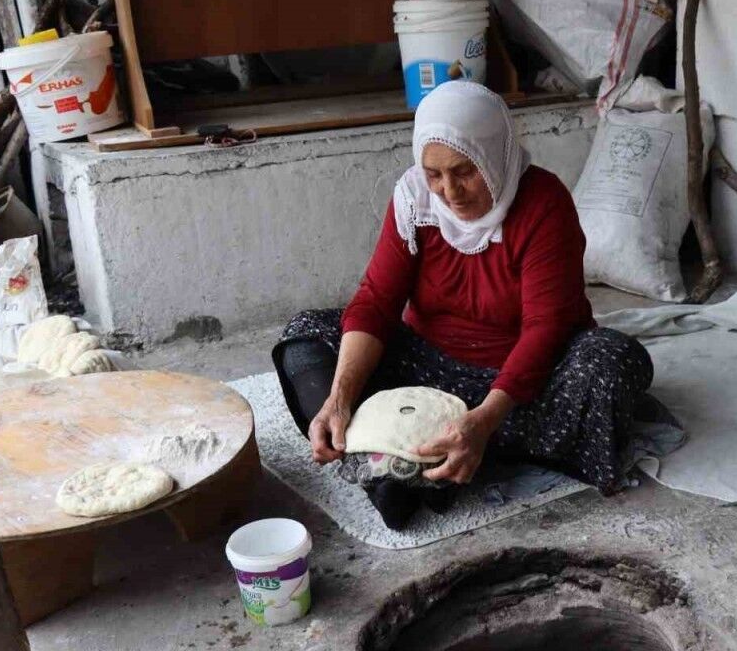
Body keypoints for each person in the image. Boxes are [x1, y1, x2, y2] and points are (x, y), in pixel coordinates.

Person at [273, 81, 653, 529]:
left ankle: (418, 458)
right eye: (434, 174)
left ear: (494, 155)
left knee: (611, 361)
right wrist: (339, 399)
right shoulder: (414, 199)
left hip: (522, 383)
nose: (450, 191)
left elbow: (545, 327)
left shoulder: (543, 204)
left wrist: (485, 419)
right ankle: (380, 463)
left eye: (465, 171)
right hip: (428, 370)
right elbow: (376, 300)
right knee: (309, 333)